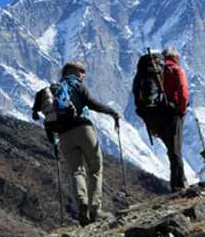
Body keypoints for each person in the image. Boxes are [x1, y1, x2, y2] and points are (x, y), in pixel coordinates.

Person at [32, 61, 120, 226]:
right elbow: (92, 103)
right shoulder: (75, 85)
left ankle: (82, 205)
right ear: (74, 71)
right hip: (83, 129)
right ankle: (95, 210)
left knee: (76, 172)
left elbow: (48, 121)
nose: (84, 74)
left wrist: (54, 143)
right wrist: (112, 112)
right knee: (95, 168)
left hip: (64, 136)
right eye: (82, 71)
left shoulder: (52, 91)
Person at [133, 47, 189, 192]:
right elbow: (183, 91)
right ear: (174, 57)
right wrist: (181, 110)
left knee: (171, 150)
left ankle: (178, 183)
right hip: (172, 113)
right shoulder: (175, 69)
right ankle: (179, 185)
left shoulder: (151, 72)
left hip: (155, 116)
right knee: (175, 149)